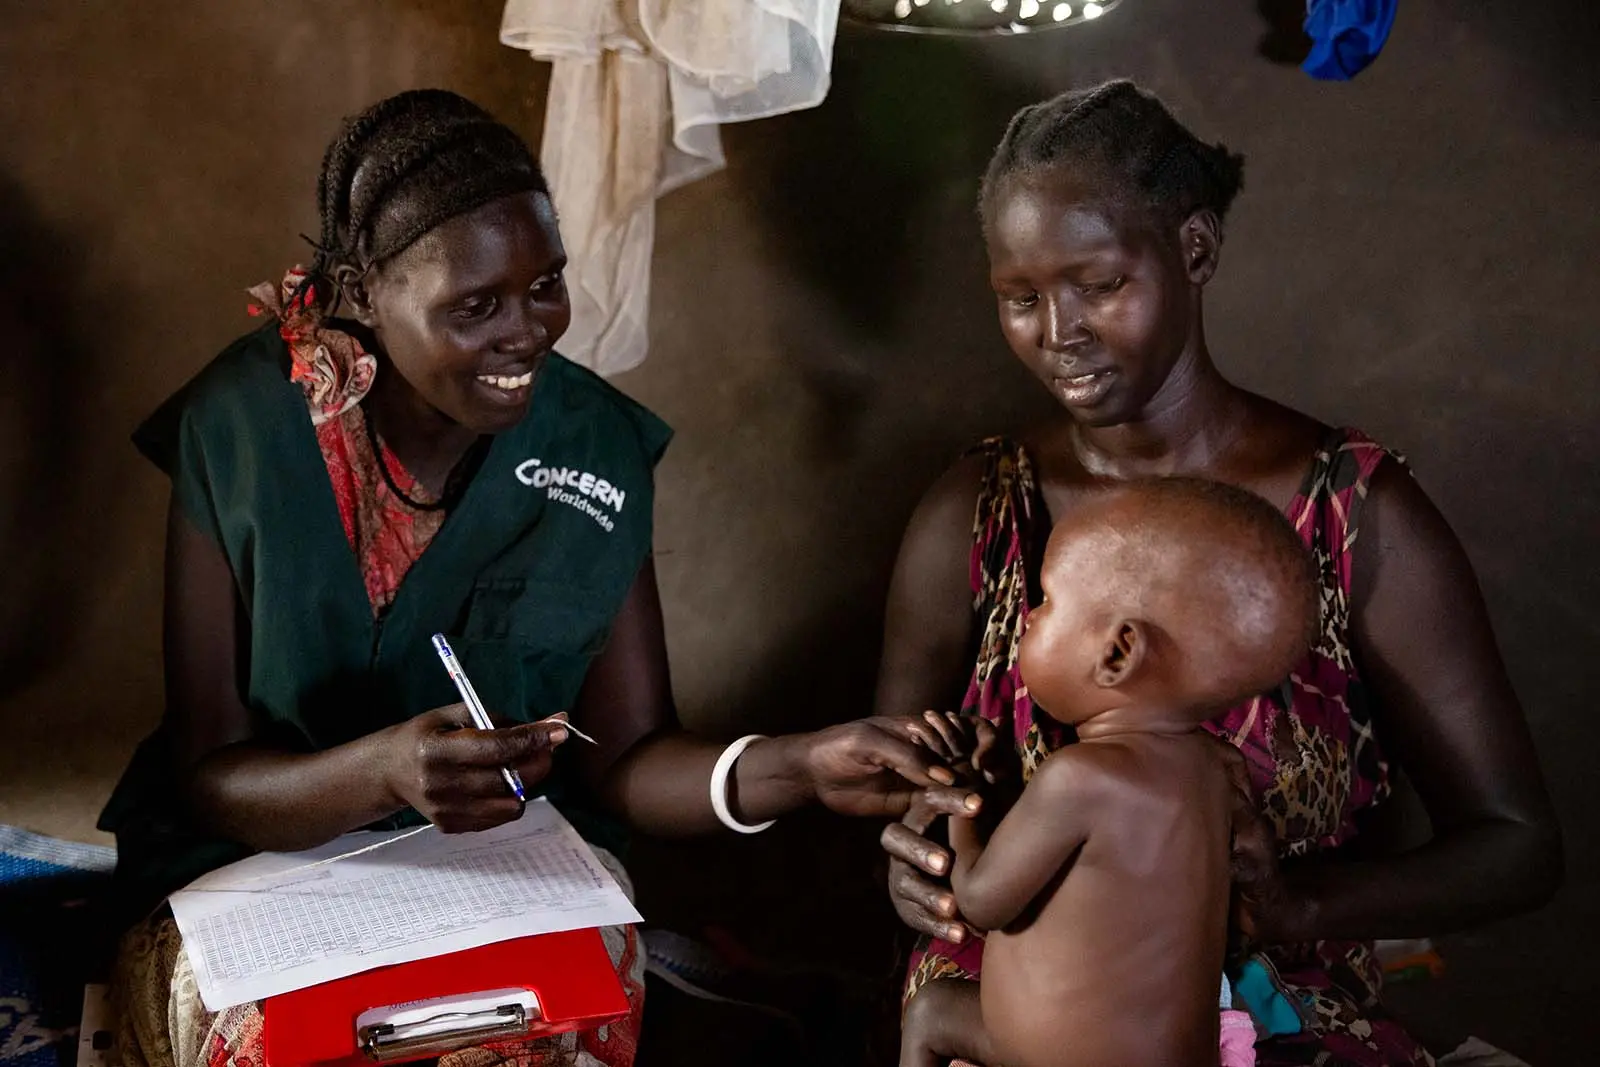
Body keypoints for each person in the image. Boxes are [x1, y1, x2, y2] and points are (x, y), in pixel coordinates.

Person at [98, 89, 955, 1067]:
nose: (529, 331)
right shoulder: (242, 430)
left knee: (525, 1044)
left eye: (546, 283)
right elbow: (209, 769)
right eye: (475, 306)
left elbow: (630, 755)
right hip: (252, 878)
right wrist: (379, 771)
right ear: (363, 290)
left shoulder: (592, 448)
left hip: (491, 887)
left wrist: (798, 763)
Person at [875, 80, 1563, 1066]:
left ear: (1192, 251)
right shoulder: (974, 512)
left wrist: (1294, 904)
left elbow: (1515, 843)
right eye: (1019, 298)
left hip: (1273, 1018)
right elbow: (901, 781)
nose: (1056, 329)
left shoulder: (1352, 516)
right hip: (1014, 1011)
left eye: (1098, 283)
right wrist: (913, 859)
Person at [898, 477, 1317, 1067]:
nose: (1027, 620)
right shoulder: (1214, 771)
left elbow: (983, 902)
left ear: (1118, 653)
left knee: (933, 1011)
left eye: (1043, 603)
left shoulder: (1080, 778)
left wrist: (965, 808)